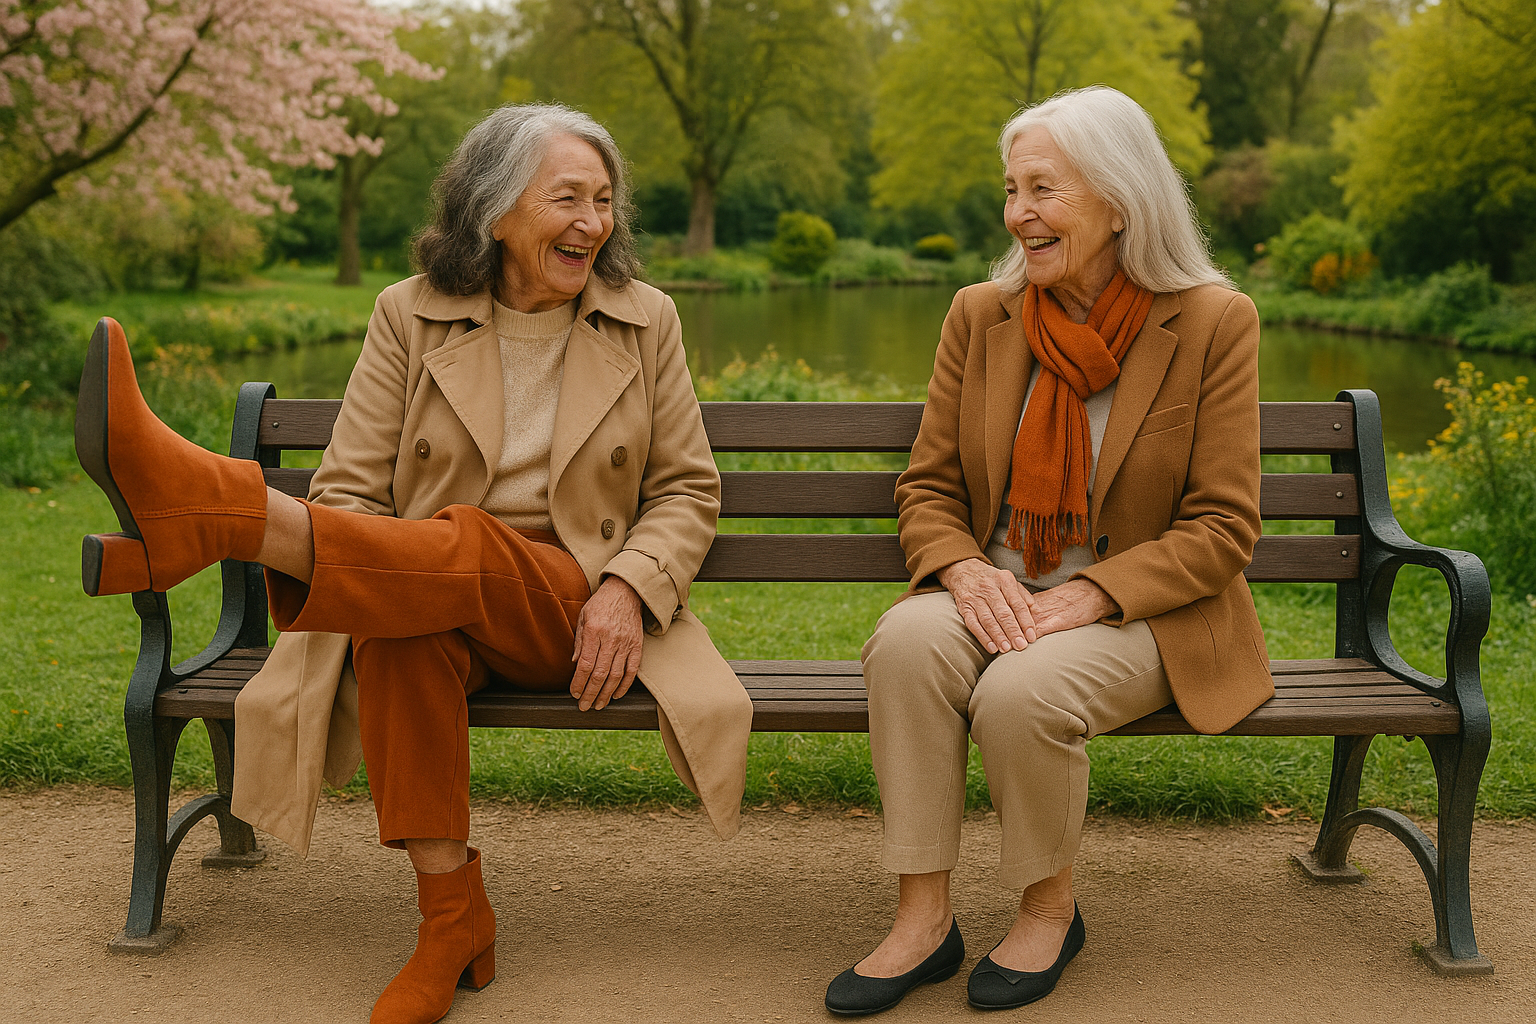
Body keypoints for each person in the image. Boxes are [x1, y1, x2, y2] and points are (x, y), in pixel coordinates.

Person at [76, 103, 752, 1024]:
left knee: (466, 541)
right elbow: (350, 491)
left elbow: (685, 491)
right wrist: (399, 561)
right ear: (495, 210)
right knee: (402, 630)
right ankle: (450, 923)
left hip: (579, 608)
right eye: (568, 198)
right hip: (423, 594)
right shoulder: (409, 314)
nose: (594, 222)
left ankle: (219, 514)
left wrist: (630, 589)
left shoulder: (647, 321)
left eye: (604, 201)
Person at [824, 86, 1272, 1016]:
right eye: (1012, 187)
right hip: (991, 588)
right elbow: (929, 486)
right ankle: (923, 918)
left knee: (1024, 690)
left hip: (1145, 613)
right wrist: (961, 567)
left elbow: (1223, 527)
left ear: (1119, 200)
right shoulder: (981, 314)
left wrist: (1097, 594)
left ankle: (1047, 910)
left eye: (1045, 189)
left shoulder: (1213, 322)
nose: (1019, 212)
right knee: (905, 646)